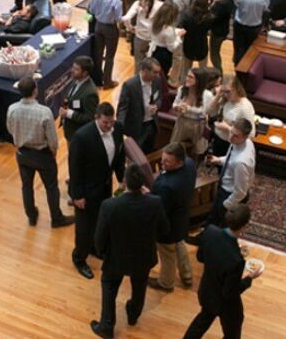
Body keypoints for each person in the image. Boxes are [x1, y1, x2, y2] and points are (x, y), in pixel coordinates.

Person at [90, 164, 169, 337]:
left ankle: (107, 326)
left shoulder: (109, 205)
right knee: (139, 286)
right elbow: (164, 229)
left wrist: (102, 252)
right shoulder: (155, 202)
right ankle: (133, 315)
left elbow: (99, 237)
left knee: (109, 287)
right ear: (142, 183)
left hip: (116, 255)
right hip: (143, 255)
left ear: (125, 182)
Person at [6, 77, 75, 228]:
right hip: (42, 154)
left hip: (22, 153)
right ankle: (56, 218)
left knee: (26, 186)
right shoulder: (44, 112)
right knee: (51, 187)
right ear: (35, 90)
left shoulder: (12, 109)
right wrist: (54, 151)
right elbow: (52, 138)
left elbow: (10, 129)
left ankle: (31, 215)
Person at [184, 204, 261, 338]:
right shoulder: (236, 261)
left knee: (202, 322)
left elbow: (200, 257)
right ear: (244, 226)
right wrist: (250, 278)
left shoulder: (210, 231)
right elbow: (230, 292)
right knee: (232, 332)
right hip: (226, 305)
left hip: (207, 291)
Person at [69, 102, 126, 280]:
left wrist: (121, 177)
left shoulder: (117, 129)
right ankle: (79, 257)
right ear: (96, 118)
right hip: (85, 192)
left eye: (111, 122)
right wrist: (77, 195)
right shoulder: (82, 137)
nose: (109, 126)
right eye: (105, 123)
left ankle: (94, 248)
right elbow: (75, 168)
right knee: (84, 228)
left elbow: (119, 155)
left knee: (100, 221)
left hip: (104, 187)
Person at [147, 143, 197, 292]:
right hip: (181, 218)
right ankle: (186, 274)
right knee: (179, 242)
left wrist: (147, 195)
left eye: (167, 162)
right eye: (163, 159)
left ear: (179, 162)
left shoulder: (167, 186)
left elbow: (159, 208)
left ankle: (166, 283)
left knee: (168, 254)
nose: (162, 164)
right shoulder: (189, 164)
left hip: (168, 226)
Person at [205, 118, 255, 227]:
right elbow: (230, 158)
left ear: (245, 136)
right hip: (226, 187)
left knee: (219, 223)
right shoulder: (242, 142)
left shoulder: (241, 162)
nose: (231, 137)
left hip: (230, 195)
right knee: (213, 217)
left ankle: (207, 240)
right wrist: (219, 160)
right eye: (231, 132)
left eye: (236, 135)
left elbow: (241, 191)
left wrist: (226, 204)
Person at [117, 58, 162, 153]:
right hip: (136, 128)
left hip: (152, 125)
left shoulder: (157, 80)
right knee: (136, 156)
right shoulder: (130, 85)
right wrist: (119, 128)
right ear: (145, 71)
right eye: (155, 72)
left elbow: (159, 98)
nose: (158, 75)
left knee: (149, 153)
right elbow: (122, 109)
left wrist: (156, 106)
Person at [171, 68, 220, 158]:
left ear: (198, 80)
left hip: (197, 125)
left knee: (194, 153)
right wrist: (176, 107)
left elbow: (206, 111)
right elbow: (175, 103)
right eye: (187, 76)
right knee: (176, 151)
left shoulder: (207, 94)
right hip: (182, 123)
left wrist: (188, 108)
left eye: (190, 77)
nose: (187, 79)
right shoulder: (182, 89)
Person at [88, 0, 123, 89]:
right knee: (109, 56)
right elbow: (118, 17)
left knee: (98, 54)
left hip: (98, 26)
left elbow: (91, 10)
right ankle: (107, 81)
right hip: (110, 28)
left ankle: (97, 79)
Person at [208, 76, 255, 157]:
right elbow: (209, 111)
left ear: (237, 89)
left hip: (230, 144)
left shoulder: (245, 107)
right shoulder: (225, 99)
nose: (226, 95)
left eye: (228, 91)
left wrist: (227, 128)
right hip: (218, 139)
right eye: (224, 91)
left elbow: (251, 135)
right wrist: (218, 95)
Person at [232, 0, 270, 64]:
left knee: (238, 47)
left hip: (239, 23)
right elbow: (266, 8)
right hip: (254, 26)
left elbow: (236, 4)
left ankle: (237, 65)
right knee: (250, 48)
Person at [59, 56, 100, 142]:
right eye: (73, 67)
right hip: (70, 131)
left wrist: (68, 113)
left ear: (85, 73)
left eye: (76, 69)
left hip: (79, 136)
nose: (72, 71)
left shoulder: (90, 93)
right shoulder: (76, 79)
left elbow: (90, 118)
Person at [122, 0, 161, 69]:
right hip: (153, 38)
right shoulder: (160, 5)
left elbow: (125, 18)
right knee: (151, 64)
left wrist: (130, 28)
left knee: (139, 63)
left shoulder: (138, 3)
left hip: (140, 37)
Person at [178, 0, 213, 80]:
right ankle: (201, 89)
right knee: (203, 71)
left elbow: (181, 27)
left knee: (185, 70)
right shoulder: (209, 17)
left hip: (188, 44)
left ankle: (183, 88)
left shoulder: (187, 14)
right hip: (202, 46)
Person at [148, 2, 185, 79]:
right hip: (163, 55)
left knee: (153, 74)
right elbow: (172, 48)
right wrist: (178, 36)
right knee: (162, 75)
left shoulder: (153, 22)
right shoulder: (168, 30)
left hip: (153, 51)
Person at [209, 0, 235, 72]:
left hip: (218, 32)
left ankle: (219, 74)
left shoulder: (223, 4)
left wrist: (212, 4)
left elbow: (213, 18)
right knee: (215, 53)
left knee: (214, 54)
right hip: (222, 29)